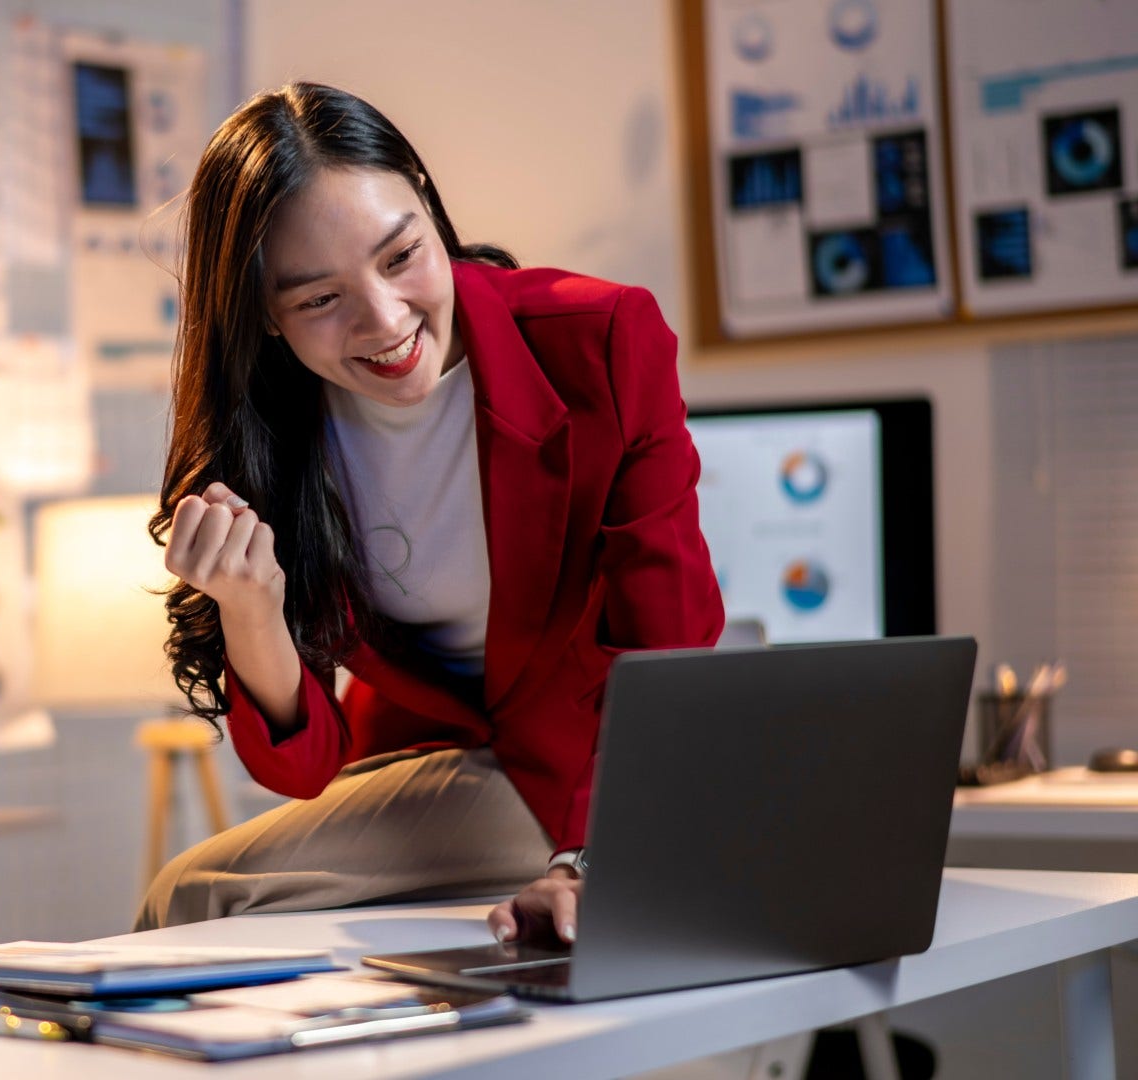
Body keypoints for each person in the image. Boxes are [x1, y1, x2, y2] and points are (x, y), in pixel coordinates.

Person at [137, 82, 723, 945]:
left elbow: (667, 639)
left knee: (196, 893)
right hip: (424, 768)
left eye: (400, 255)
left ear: (428, 205)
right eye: (318, 299)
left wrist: (595, 855)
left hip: (603, 769)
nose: (385, 320)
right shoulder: (271, 433)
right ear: (264, 317)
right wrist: (251, 611)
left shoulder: (599, 339)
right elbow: (301, 767)